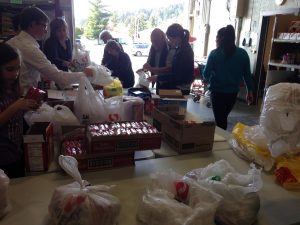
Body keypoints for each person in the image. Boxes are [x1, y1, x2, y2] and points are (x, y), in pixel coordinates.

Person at [6, 6, 92, 95]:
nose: (46, 31)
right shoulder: (29, 48)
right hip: (22, 97)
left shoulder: (13, 42)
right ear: (32, 25)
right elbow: (59, 76)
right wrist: (84, 74)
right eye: (45, 26)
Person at [203, 25, 254, 130]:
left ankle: (221, 139)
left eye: (216, 37)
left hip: (217, 93)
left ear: (220, 38)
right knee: (222, 118)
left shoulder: (214, 54)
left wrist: (206, 75)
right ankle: (222, 138)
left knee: (220, 121)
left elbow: (206, 74)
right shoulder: (243, 54)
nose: (215, 39)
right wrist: (250, 91)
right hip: (232, 94)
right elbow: (247, 75)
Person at [0, 43, 38, 178]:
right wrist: (16, 106)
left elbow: (16, 117)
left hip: (16, 152)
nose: (15, 74)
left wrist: (28, 107)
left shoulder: (13, 90)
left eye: (18, 69)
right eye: (9, 69)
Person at [148, 23, 194, 94]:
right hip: (178, 86)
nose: (169, 41)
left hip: (181, 88)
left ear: (176, 37)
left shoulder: (184, 51)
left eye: (170, 39)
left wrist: (158, 77)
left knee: (171, 104)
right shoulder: (181, 48)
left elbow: (177, 75)